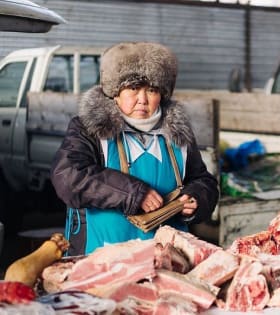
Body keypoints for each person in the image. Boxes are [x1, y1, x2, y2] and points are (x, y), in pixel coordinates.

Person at [50, 42, 219, 255]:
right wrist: (133, 193)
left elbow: (203, 180)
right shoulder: (90, 129)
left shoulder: (177, 132)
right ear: (115, 92)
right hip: (105, 259)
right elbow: (68, 176)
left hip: (169, 258)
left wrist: (197, 198)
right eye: (133, 88)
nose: (143, 99)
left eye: (152, 90)